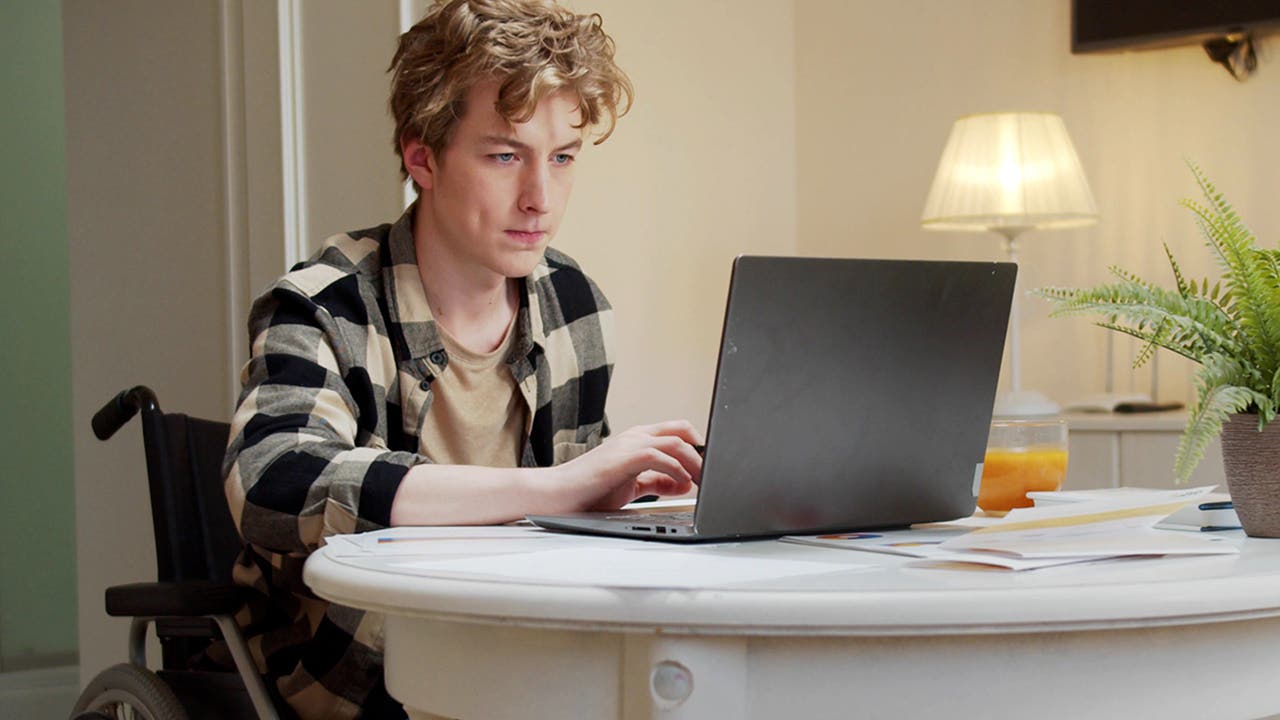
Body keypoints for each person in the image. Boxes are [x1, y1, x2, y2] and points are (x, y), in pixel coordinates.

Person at [220, 1, 703, 717]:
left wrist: (650, 492)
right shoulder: (324, 306)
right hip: (354, 673)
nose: (541, 198)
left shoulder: (575, 304)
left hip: (525, 661)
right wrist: (560, 487)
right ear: (422, 158)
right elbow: (270, 482)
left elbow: (573, 529)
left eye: (562, 158)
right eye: (505, 155)